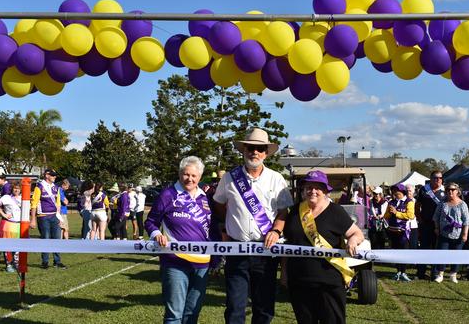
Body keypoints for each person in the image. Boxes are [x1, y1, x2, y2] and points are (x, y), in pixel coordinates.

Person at [212, 127, 293, 324]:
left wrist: (275, 230)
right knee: (234, 308)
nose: (254, 152)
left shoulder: (277, 178)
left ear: (266, 153)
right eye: (250, 148)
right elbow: (219, 204)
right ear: (244, 150)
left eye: (259, 148)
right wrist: (225, 227)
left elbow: (283, 212)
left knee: (264, 307)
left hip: (264, 251)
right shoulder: (229, 178)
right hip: (236, 249)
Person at [282, 170, 364, 324]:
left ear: (326, 190)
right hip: (299, 281)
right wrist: (285, 272)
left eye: (318, 187)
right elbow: (288, 244)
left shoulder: (336, 211)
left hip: (329, 282)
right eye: (309, 187)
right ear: (303, 189)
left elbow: (357, 234)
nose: (313, 191)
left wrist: (352, 241)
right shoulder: (294, 212)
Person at [145, 156, 211, 324]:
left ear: (200, 177)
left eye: (193, 176)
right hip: (175, 261)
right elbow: (151, 222)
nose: (189, 178)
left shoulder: (206, 198)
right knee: (174, 314)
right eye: (185, 174)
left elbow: (214, 230)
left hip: (202, 263)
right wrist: (155, 235)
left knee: (192, 313)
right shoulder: (168, 194)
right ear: (180, 174)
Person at [432, 182, 469, 284]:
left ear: (457, 191)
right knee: (442, 254)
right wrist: (436, 228)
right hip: (444, 233)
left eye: (453, 190)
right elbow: (436, 217)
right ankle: (440, 274)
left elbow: (466, 221)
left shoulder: (462, 204)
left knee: (456, 255)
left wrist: (465, 234)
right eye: (448, 190)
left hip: (458, 234)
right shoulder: (442, 203)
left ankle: (453, 274)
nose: (450, 192)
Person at [30, 168, 66, 269]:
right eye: (52, 175)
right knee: (45, 238)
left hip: (55, 216)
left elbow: (58, 203)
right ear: (47, 175)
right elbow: (34, 203)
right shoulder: (39, 187)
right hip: (43, 216)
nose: (54, 177)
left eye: (55, 175)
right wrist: (33, 219)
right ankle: (45, 262)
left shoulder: (56, 188)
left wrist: (59, 218)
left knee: (56, 239)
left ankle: (57, 261)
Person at [415, 171, 446, 280]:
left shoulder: (445, 191)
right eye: (435, 178)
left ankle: (435, 273)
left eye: (440, 178)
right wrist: (419, 218)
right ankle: (421, 272)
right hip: (426, 224)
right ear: (431, 178)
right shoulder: (424, 189)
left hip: (440, 225)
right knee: (424, 248)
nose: (438, 180)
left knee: (437, 249)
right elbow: (417, 205)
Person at [384, 183, 415, 282]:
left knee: (404, 252)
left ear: (402, 191)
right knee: (396, 252)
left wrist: (396, 213)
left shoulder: (409, 202)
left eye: (396, 191)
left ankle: (404, 272)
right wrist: (389, 212)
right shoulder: (391, 202)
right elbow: (386, 216)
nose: (394, 193)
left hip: (404, 232)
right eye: (393, 191)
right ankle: (398, 272)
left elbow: (410, 215)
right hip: (393, 231)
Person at [0, 181, 22, 272]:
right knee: (7, 246)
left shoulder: (24, 198)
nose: (16, 190)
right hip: (9, 224)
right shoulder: (6, 197)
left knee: (18, 246)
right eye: (15, 188)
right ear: (12, 189)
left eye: (18, 188)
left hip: (20, 225)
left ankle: (16, 263)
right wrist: (4, 214)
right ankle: (8, 264)